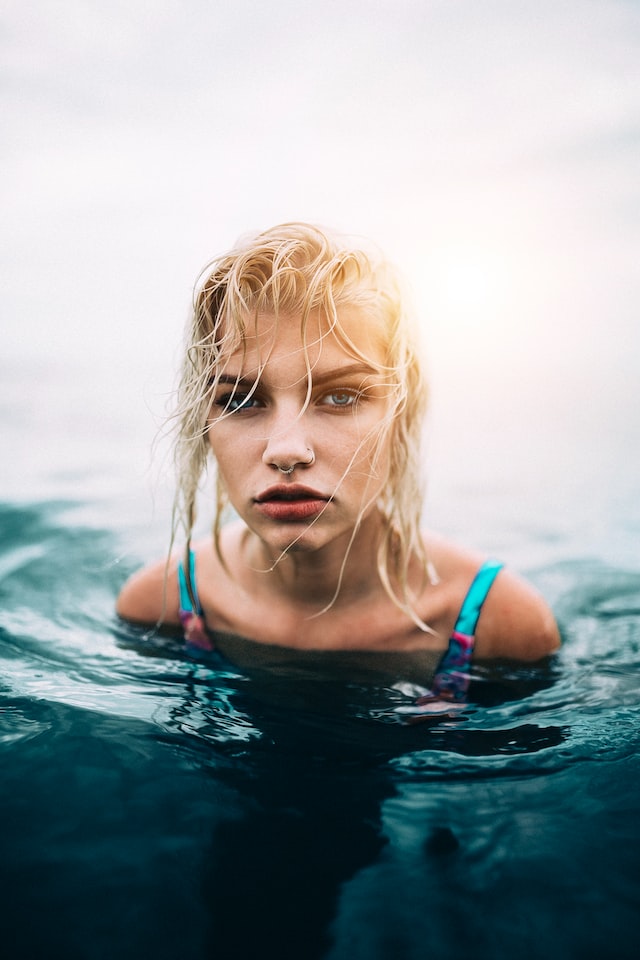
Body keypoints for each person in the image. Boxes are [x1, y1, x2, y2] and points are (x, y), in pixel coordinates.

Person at [116, 222, 560, 704]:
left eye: (341, 396)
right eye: (242, 401)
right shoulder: (158, 606)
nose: (286, 451)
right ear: (204, 419)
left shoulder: (501, 625)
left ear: (400, 412)